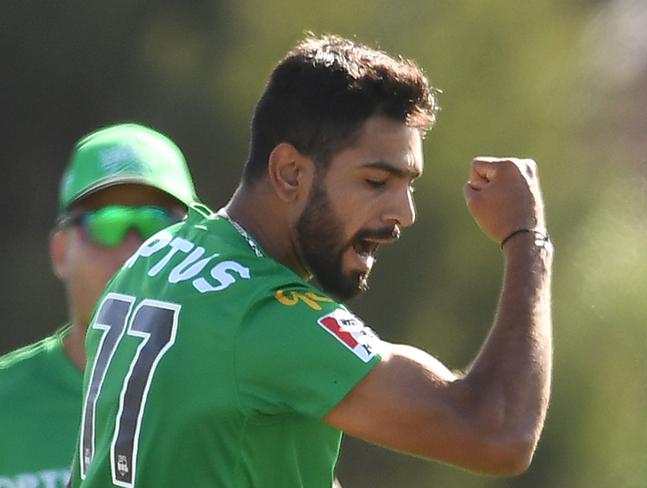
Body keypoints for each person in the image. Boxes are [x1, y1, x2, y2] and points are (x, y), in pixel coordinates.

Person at [69, 35, 553, 487]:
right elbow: (499, 434)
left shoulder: (159, 254)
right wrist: (528, 239)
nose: (404, 213)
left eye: (410, 184)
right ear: (289, 173)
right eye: (375, 181)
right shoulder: (266, 314)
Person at [0, 123, 198, 488]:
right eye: (107, 224)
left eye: (159, 227)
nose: (133, 252)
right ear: (61, 252)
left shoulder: (242, 399)